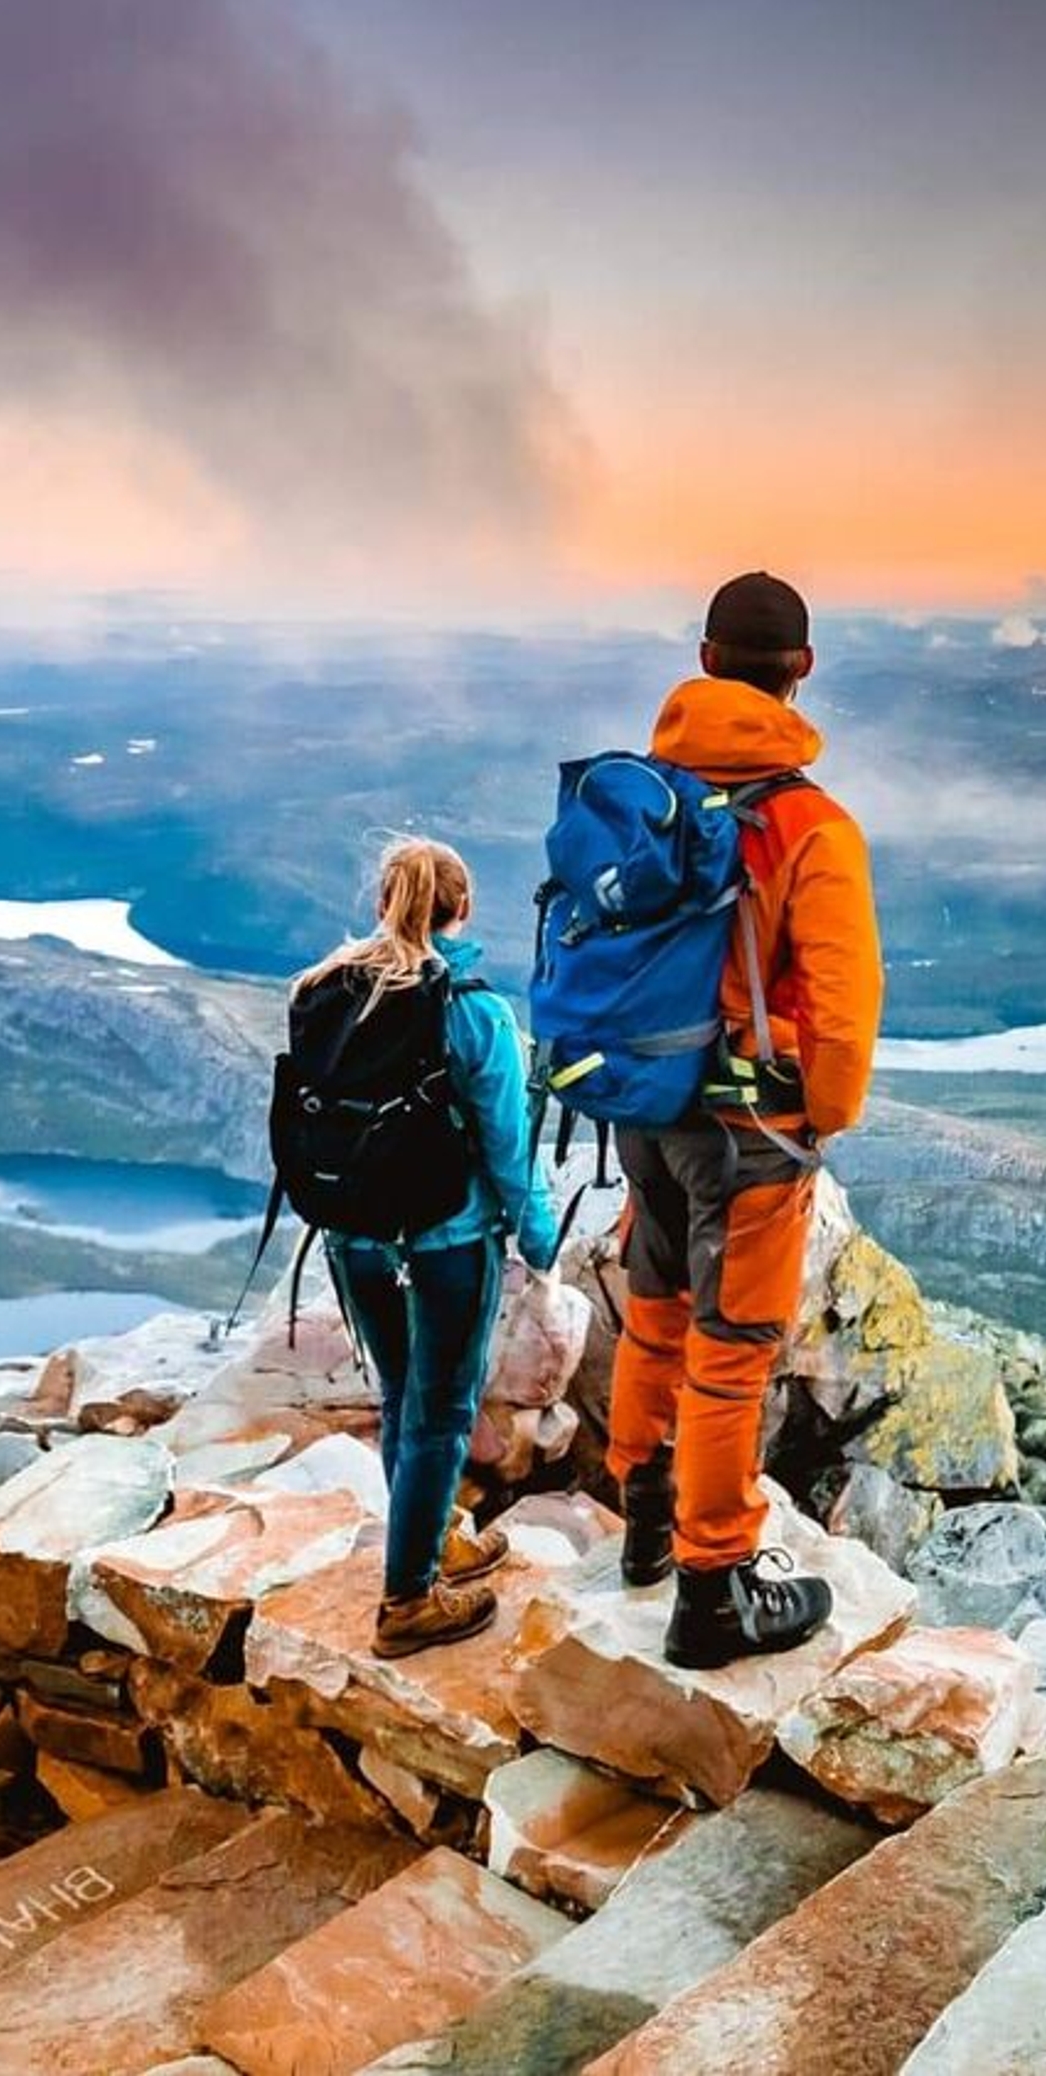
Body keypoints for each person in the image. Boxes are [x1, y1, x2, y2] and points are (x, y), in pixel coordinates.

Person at [604, 570, 885, 1668]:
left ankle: (641, 1526)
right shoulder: (811, 826)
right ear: (800, 670)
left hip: (645, 1102)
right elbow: (843, 1002)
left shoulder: (647, 797)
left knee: (655, 1308)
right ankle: (714, 1594)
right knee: (731, 1354)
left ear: (707, 657)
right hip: (750, 1129)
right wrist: (822, 1116)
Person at [294, 837, 560, 1656]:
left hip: (353, 1236)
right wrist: (540, 1237)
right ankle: (408, 1597)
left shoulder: (322, 991)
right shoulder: (474, 1012)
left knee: (402, 1394)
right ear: (463, 910)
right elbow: (508, 1148)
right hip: (446, 1240)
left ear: (383, 902)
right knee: (443, 1413)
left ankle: (436, 1537)